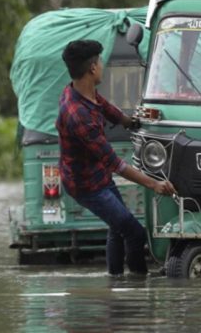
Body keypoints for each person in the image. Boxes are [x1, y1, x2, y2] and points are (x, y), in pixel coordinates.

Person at [56, 40, 176, 276]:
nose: (102, 66)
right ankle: (139, 282)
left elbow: (106, 107)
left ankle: (115, 280)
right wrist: (154, 184)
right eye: (100, 61)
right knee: (135, 232)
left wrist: (132, 122)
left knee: (117, 227)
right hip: (86, 185)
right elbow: (116, 164)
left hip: (98, 174)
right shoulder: (78, 114)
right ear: (92, 68)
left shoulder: (82, 92)